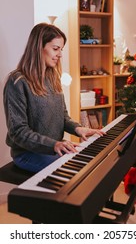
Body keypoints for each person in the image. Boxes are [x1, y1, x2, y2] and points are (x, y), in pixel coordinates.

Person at [3, 23, 104, 173]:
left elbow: (62, 117)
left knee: (93, 165)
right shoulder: (17, 82)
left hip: (53, 148)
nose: (60, 54)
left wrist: (78, 128)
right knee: (77, 173)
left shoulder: (52, 78)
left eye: (61, 49)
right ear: (38, 48)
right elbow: (18, 132)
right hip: (28, 154)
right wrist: (54, 145)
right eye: (55, 49)